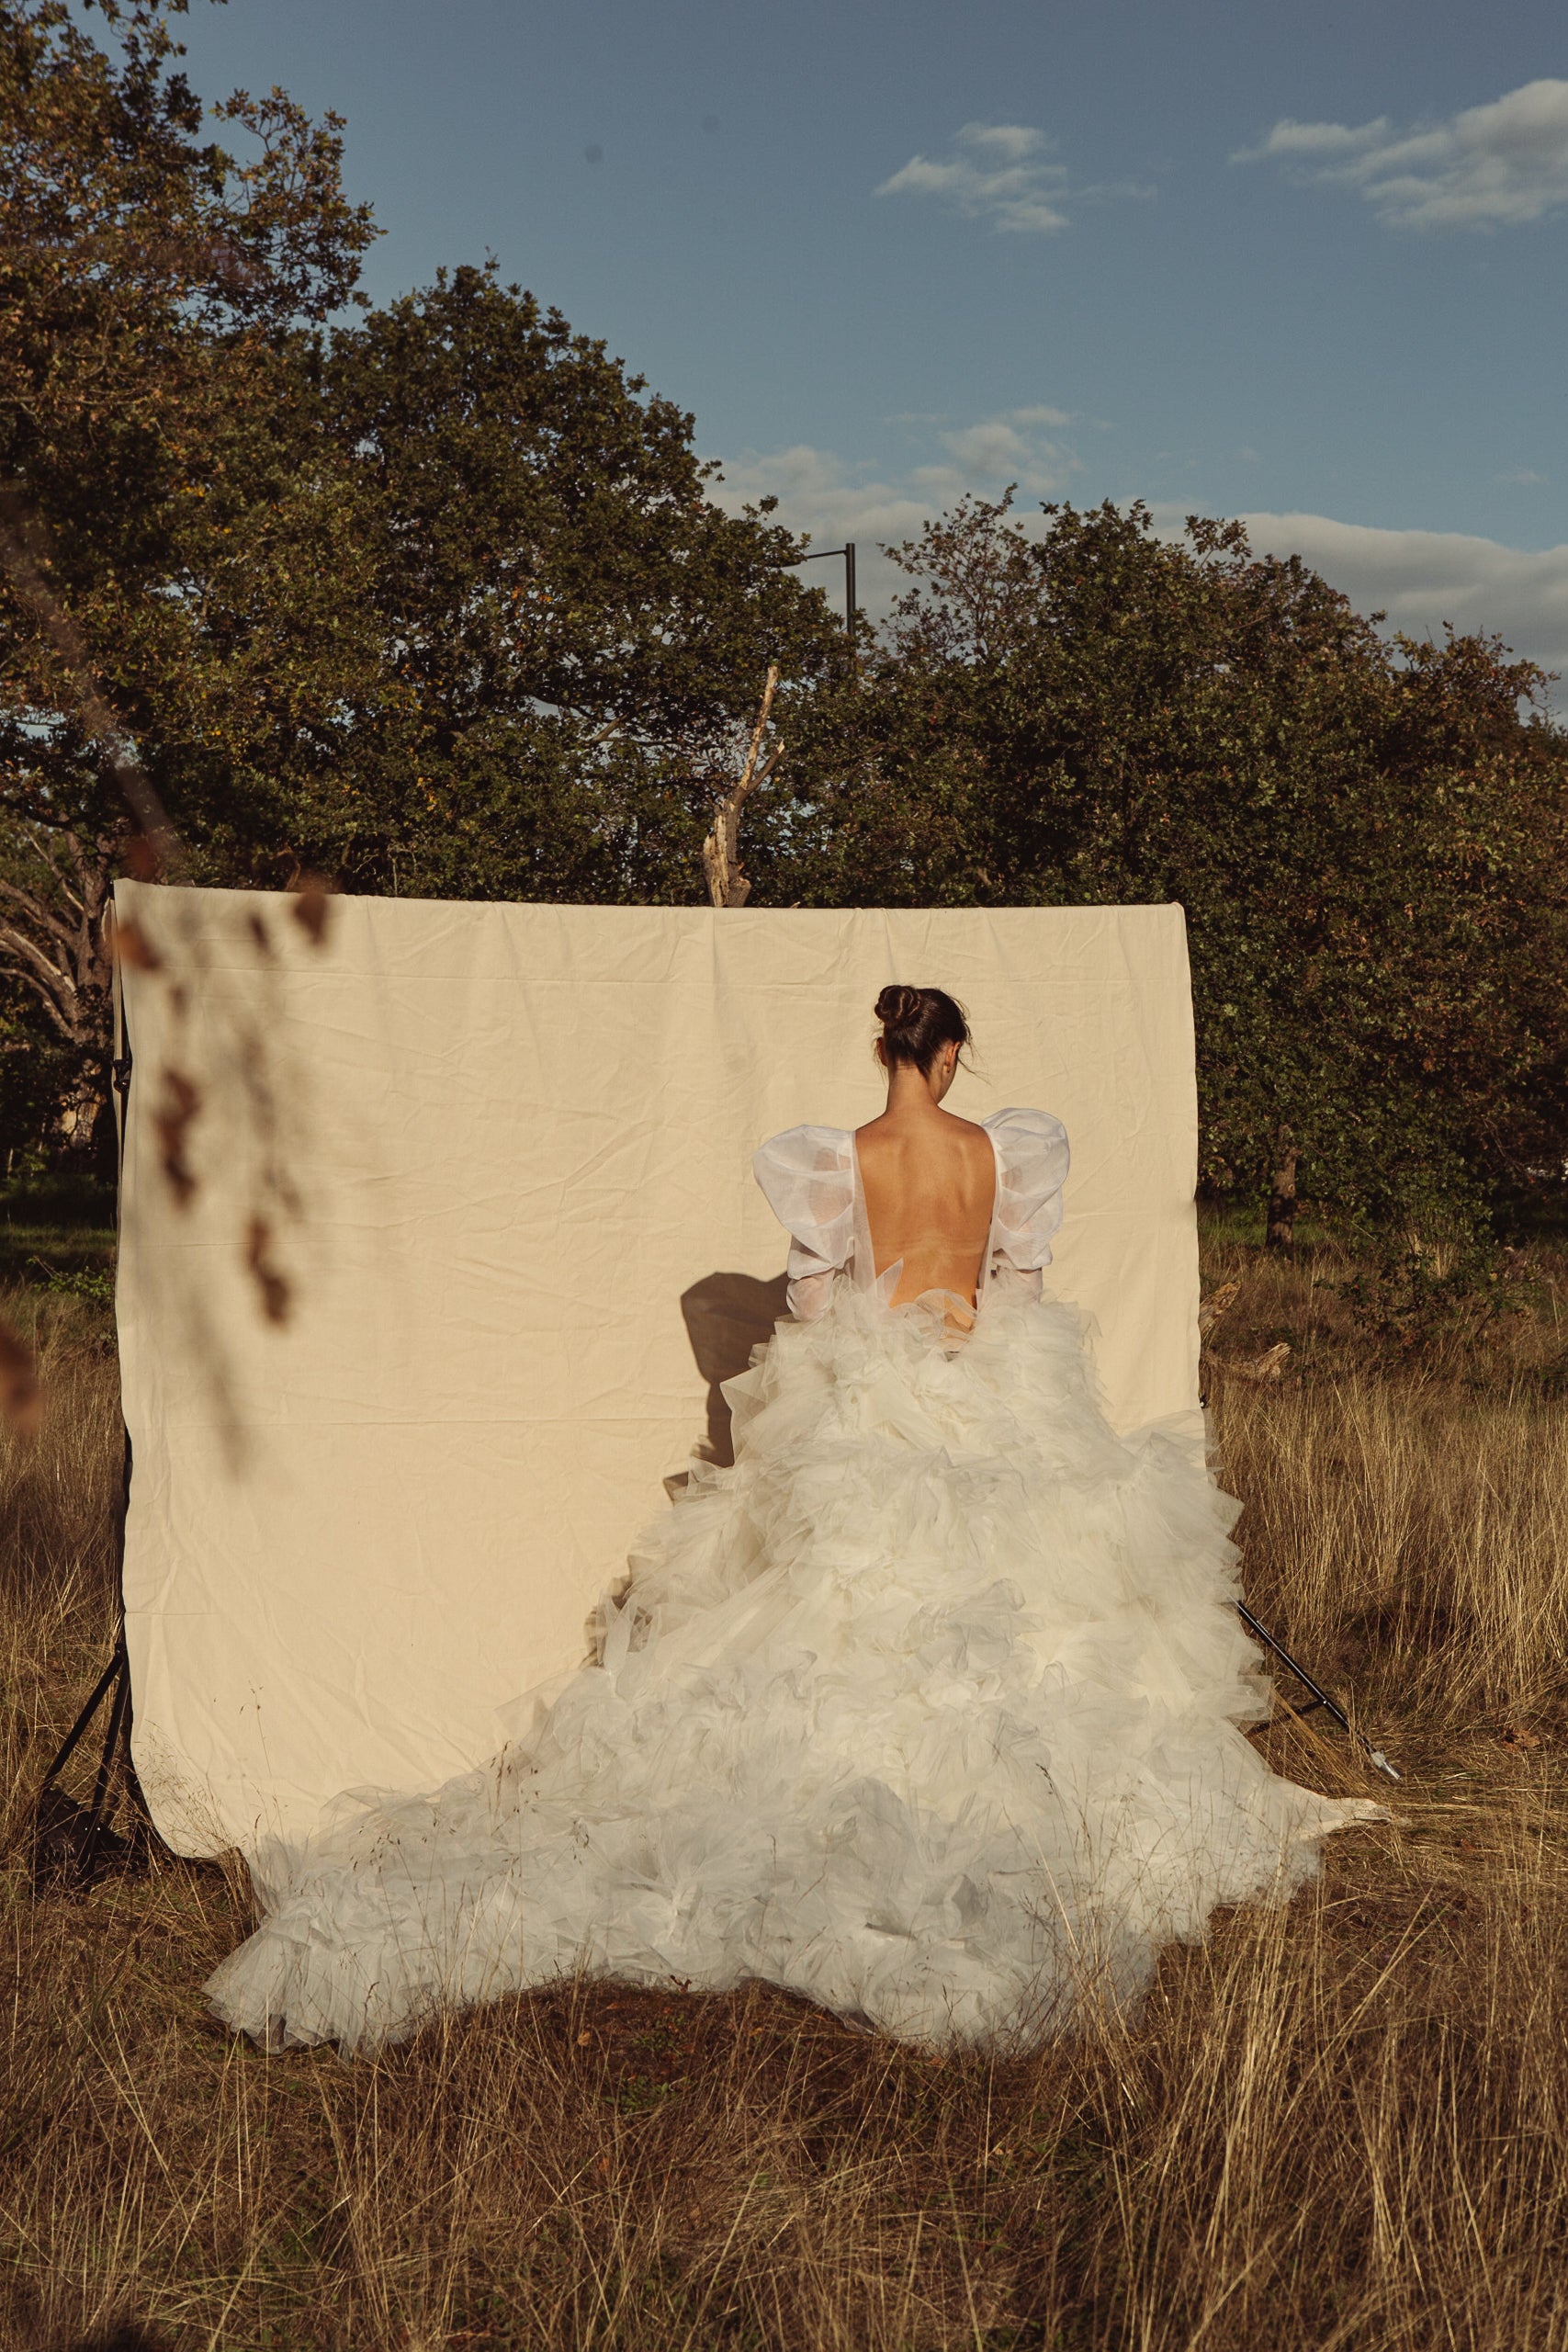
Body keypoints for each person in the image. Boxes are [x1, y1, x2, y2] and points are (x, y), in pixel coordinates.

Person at [206, 984, 1382, 2054]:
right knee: (1026, 1602)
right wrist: (958, 1326)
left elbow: (816, 1305)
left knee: (841, 1613)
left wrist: (875, 1330)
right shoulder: (997, 1154)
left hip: (871, 1397)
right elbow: (1012, 1290)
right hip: (990, 1390)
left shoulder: (844, 1156)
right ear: (953, 1052)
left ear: (885, 1049)